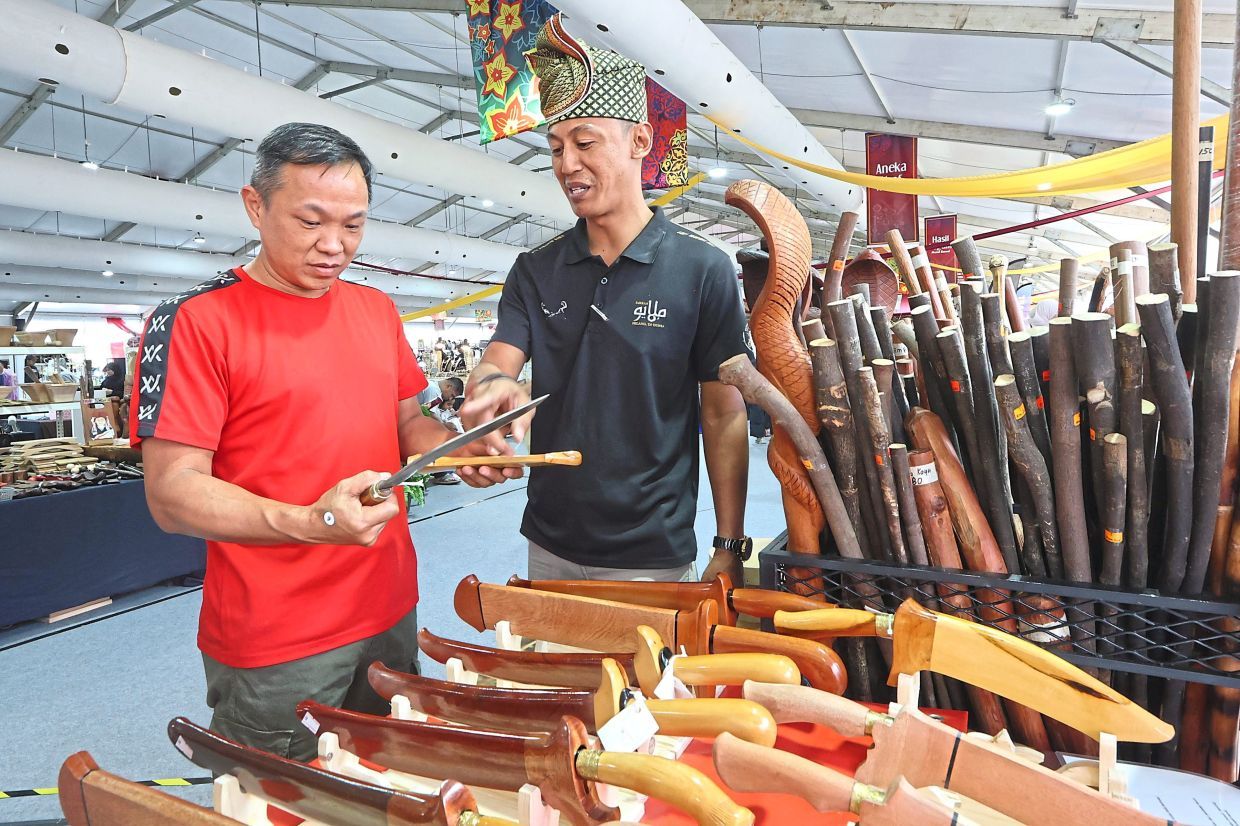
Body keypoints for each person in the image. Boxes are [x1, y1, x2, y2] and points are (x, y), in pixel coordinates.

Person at [129, 122, 519, 761]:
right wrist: (308, 521)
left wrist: (454, 445)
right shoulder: (198, 321)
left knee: (391, 779)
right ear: (256, 206)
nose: (334, 246)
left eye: (354, 225)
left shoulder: (374, 309)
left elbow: (406, 426)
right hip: (277, 634)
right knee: (282, 793)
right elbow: (172, 495)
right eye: (310, 222)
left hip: (387, 606)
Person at [462, 15, 751, 585]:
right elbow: (501, 359)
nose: (567, 164)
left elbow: (723, 413)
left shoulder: (703, 269)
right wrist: (489, 393)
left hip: (654, 553)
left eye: (585, 143)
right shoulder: (535, 270)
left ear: (640, 141)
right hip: (549, 541)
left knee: (650, 678)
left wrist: (730, 540)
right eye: (555, 147)